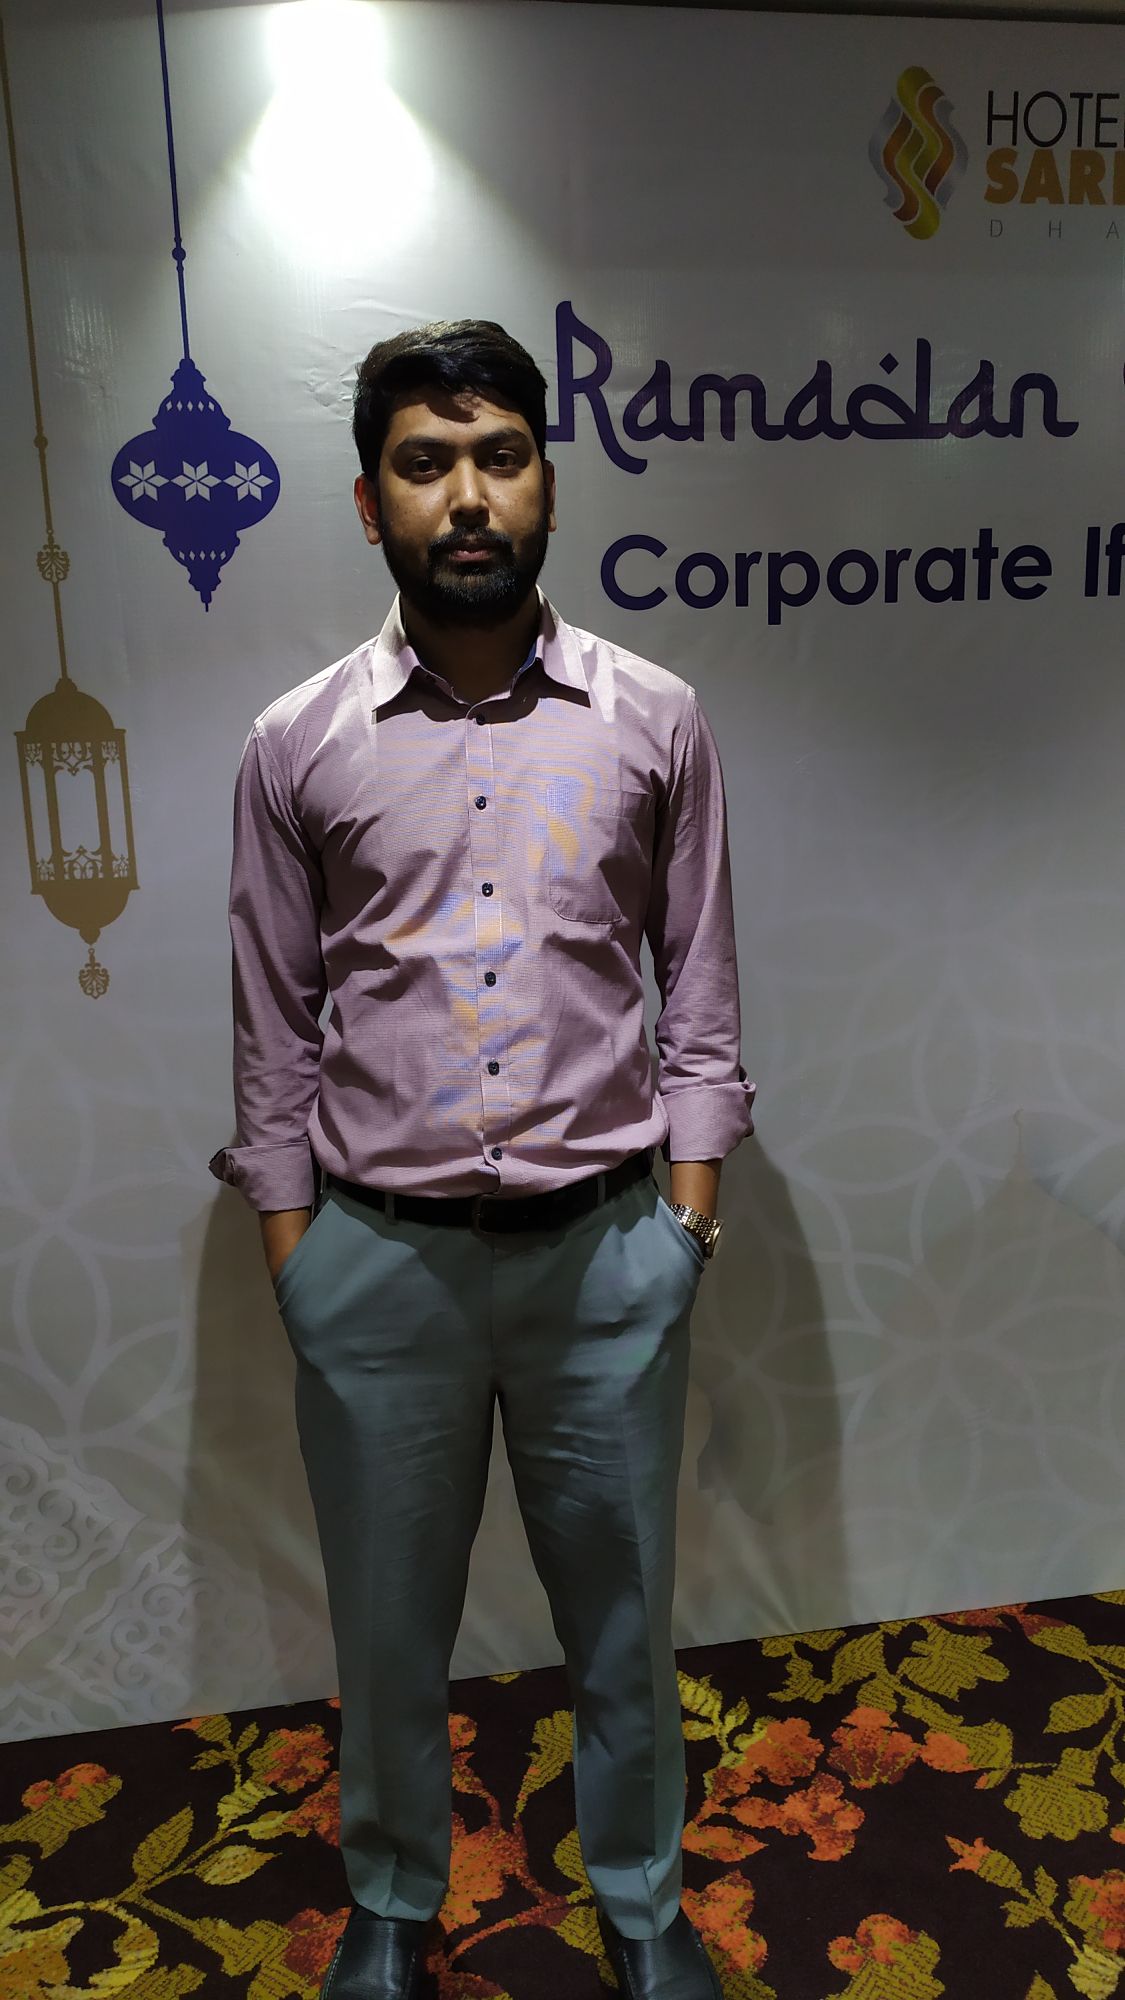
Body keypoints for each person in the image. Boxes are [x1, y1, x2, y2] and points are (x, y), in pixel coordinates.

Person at [210, 319, 754, 2000]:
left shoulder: (654, 719)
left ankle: (641, 1903)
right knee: (386, 1626)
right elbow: (270, 1023)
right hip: (378, 1267)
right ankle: (391, 1896)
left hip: (609, 1257)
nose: (467, 498)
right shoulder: (297, 742)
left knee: (625, 1614)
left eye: (500, 458)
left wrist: (684, 1228)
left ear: (546, 485)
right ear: (368, 502)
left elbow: (700, 996)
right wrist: (299, 1254)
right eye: (425, 464)